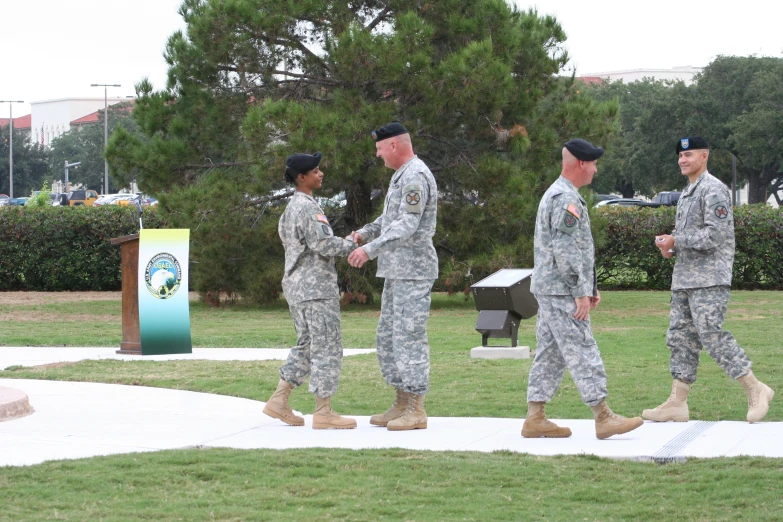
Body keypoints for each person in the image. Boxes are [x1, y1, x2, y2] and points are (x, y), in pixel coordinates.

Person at [644, 136, 774, 423]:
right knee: (680, 338)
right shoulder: (689, 191)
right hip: (685, 278)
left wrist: (678, 238)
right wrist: (672, 246)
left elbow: (715, 235)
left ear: (704, 156)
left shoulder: (713, 189)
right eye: (680, 155)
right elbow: (693, 237)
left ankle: (756, 389)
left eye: (688, 155)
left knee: (711, 335)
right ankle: (677, 403)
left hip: (709, 279)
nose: (682, 160)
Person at [523, 139, 643, 440]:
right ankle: (603, 416)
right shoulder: (566, 198)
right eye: (593, 163)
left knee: (550, 354)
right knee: (582, 347)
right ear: (580, 163)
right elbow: (565, 249)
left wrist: (589, 286)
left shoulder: (560, 193)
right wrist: (579, 290)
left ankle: (535, 417)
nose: (595, 168)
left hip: (552, 287)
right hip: (562, 290)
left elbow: (573, 248)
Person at [347, 122, 438, 431]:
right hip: (397, 273)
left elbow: (408, 224)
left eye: (380, 148)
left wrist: (369, 250)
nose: (377, 154)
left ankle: (416, 409)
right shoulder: (402, 176)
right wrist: (365, 232)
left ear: (395, 146)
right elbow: (390, 219)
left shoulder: (415, 175)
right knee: (389, 338)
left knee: (409, 337)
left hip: (413, 273)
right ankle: (401, 401)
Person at [263, 152, 357, 430]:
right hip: (316, 287)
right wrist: (353, 243)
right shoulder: (307, 207)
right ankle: (324, 411)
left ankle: (279, 400)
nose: (321, 174)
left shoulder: (291, 207)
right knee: (327, 344)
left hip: (297, 285)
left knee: (308, 343)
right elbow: (324, 245)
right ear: (301, 177)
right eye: (315, 171)